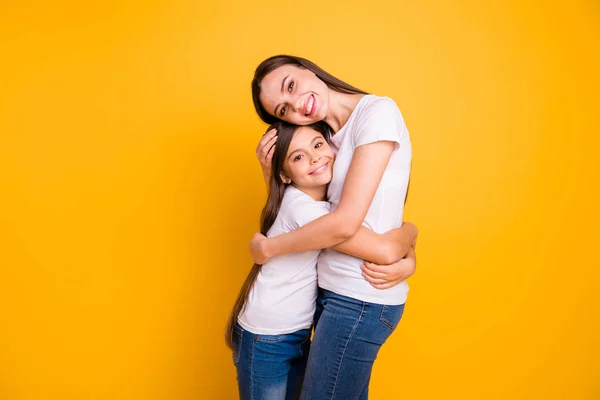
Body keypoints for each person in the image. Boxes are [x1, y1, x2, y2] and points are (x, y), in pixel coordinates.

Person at [249, 55, 416, 399]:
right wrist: (409, 238)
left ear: (307, 68)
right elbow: (313, 213)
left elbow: (342, 225)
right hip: (332, 295)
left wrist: (270, 248)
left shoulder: (377, 113)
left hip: (359, 299)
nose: (297, 104)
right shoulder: (323, 139)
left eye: (291, 85)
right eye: (283, 110)